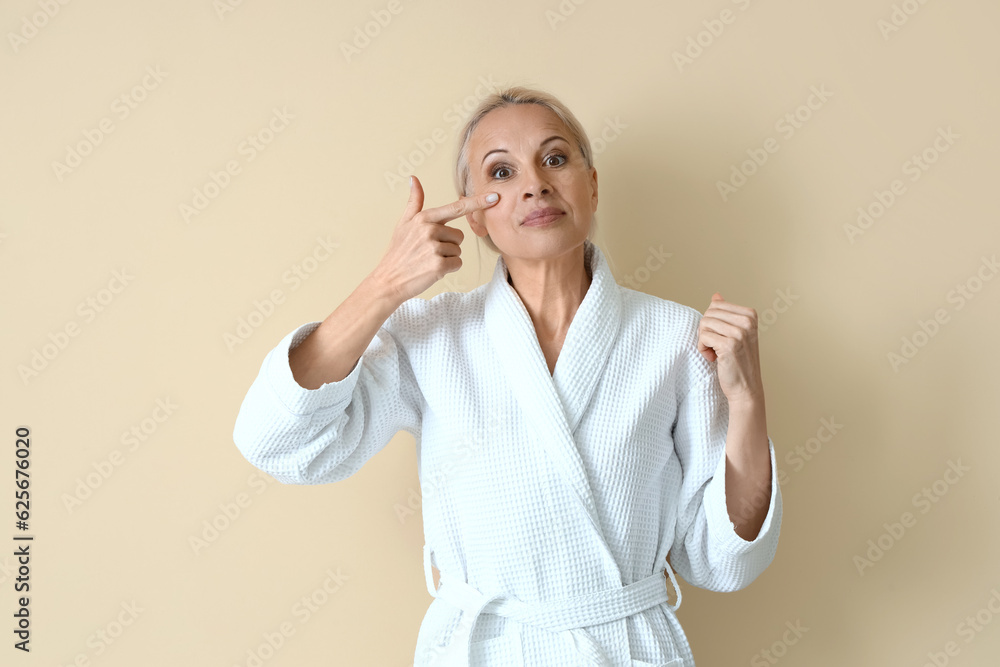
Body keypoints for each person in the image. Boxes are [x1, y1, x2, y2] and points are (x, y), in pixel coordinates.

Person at [233, 85, 782, 666]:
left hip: (623, 648)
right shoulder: (432, 334)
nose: (535, 184)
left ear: (591, 186)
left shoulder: (675, 337)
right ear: (475, 218)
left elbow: (724, 560)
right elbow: (276, 441)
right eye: (501, 171)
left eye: (554, 159)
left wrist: (748, 403)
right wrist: (385, 286)